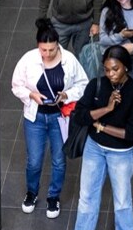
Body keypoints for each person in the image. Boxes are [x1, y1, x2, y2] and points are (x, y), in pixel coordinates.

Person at [63, 45, 133, 230]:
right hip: (94, 148)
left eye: (115, 69)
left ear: (125, 67)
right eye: (107, 69)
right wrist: (107, 110)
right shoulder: (97, 85)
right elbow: (79, 115)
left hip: (121, 153)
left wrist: (99, 126)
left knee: (122, 199)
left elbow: (131, 134)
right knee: (87, 196)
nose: (111, 74)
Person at [10, 19, 89, 219]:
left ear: (57, 45)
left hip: (59, 117)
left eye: (51, 50)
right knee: (34, 160)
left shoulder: (69, 60)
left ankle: (53, 196)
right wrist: (31, 95)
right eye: (43, 50)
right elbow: (16, 85)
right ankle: (32, 192)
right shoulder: (29, 59)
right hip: (35, 116)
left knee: (59, 161)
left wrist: (67, 95)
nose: (47, 54)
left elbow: (83, 84)